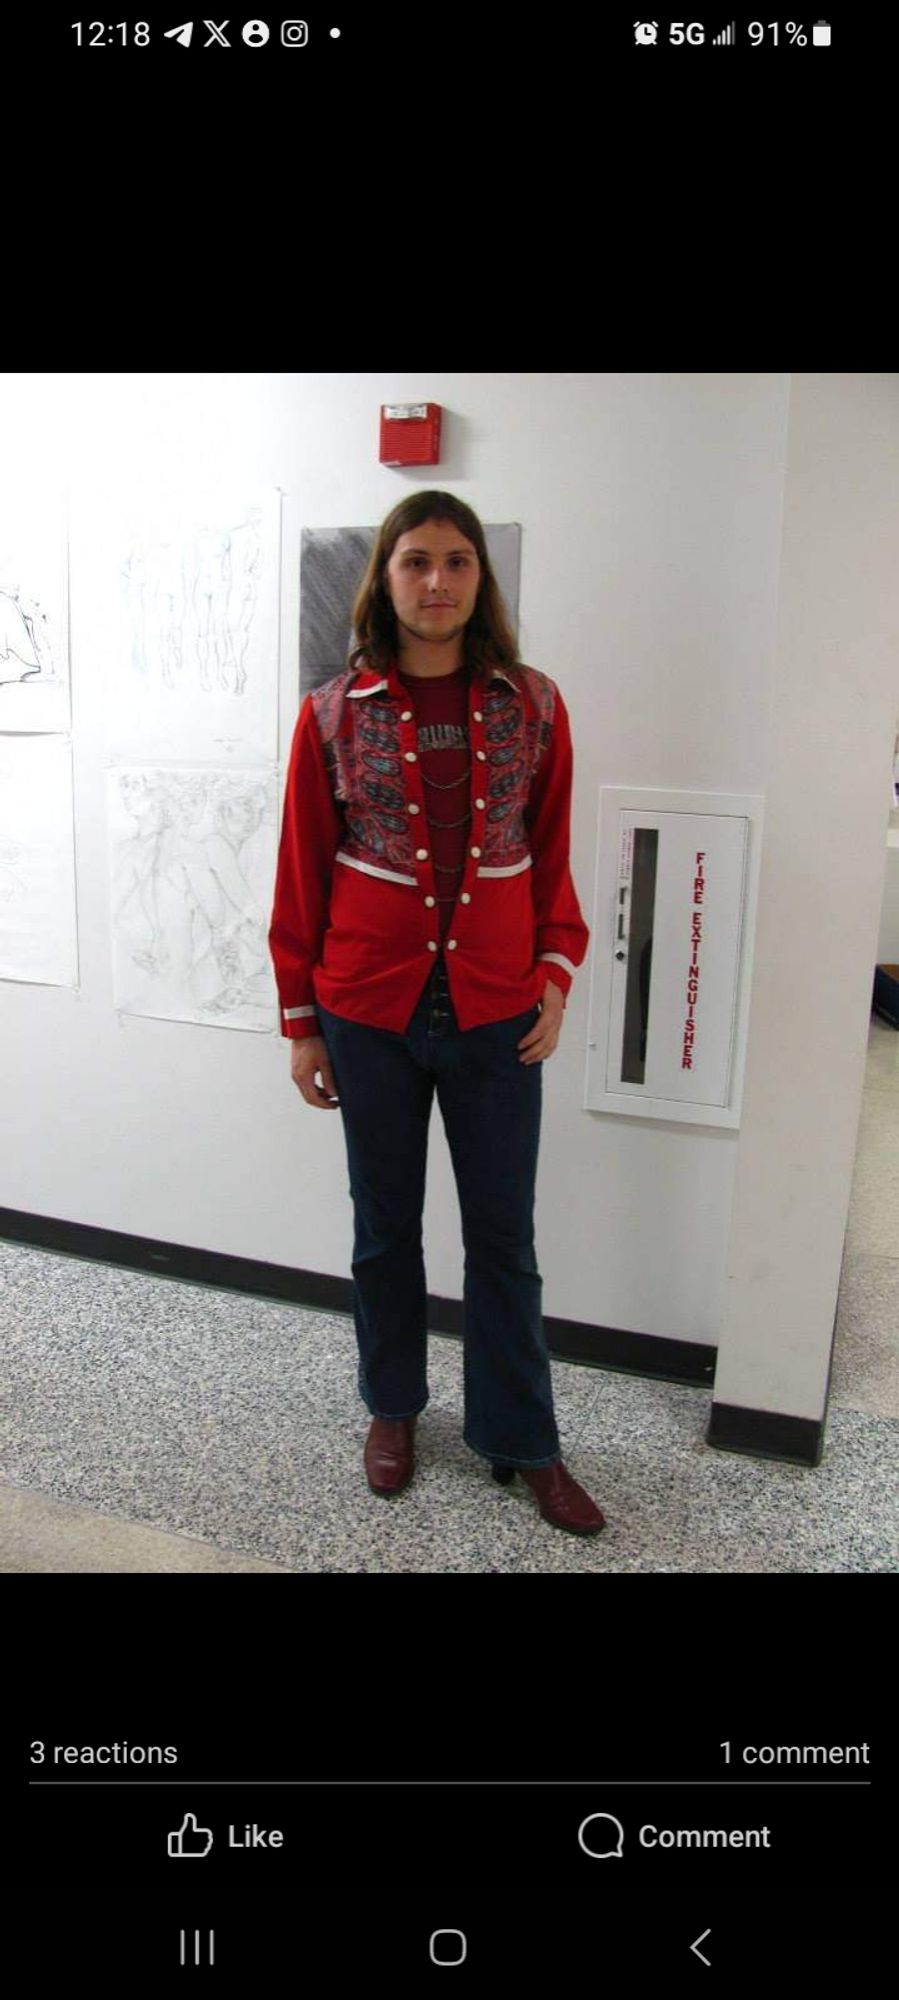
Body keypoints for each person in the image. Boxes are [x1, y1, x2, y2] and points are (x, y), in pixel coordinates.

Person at [268, 491, 605, 1535]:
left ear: (478, 581)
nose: (437, 581)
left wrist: (553, 969)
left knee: (504, 1236)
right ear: (386, 577)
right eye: (415, 561)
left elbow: (549, 854)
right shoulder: (331, 712)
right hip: (367, 1008)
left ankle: (522, 1436)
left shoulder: (533, 704)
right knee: (385, 1228)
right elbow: (299, 870)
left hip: (500, 1010)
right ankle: (394, 1409)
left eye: (456, 561)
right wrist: (300, 1020)